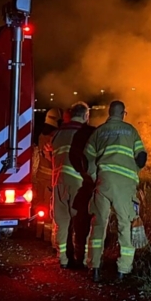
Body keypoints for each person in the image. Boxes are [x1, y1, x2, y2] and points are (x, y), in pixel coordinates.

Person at [84, 100, 147, 282]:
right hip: (125, 186)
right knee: (126, 225)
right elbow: (141, 157)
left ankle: (94, 267)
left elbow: (87, 157)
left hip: (103, 183)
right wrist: (134, 171)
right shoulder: (131, 131)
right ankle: (122, 271)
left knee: (98, 224)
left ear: (109, 113)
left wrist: (95, 175)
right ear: (123, 113)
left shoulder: (99, 132)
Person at [50, 101, 95, 269]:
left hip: (58, 182)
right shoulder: (85, 133)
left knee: (61, 221)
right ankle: (81, 259)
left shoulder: (57, 133)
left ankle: (62, 258)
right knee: (81, 221)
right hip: (78, 182)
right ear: (85, 115)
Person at [33, 107, 62, 240]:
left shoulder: (41, 135)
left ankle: (39, 233)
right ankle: (47, 236)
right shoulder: (53, 137)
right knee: (50, 208)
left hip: (40, 177)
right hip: (51, 178)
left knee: (40, 206)